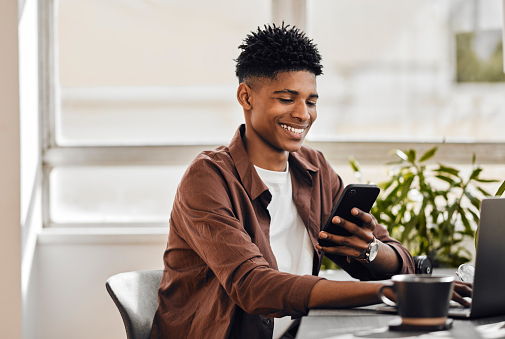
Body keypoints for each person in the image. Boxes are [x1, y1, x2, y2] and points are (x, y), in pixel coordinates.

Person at [150, 24, 467, 339]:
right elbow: (254, 287)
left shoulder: (314, 170)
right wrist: (388, 290)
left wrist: (370, 250)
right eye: (287, 99)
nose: (303, 115)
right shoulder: (208, 178)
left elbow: (400, 261)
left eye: (311, 101)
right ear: (246, 97)